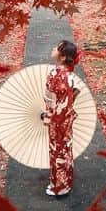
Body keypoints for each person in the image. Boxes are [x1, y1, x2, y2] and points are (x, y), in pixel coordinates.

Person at [41, 38, 78, 197]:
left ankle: (59, 187)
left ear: (62, 57)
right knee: (65, 149)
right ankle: (66, 181)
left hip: (58, 118)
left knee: (57, 151)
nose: (53, 48)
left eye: (57, 48)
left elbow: (52, 100)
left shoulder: (56, 73)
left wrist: (47, 116)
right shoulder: (69, 72)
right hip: (66, 115)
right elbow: (73, 93)